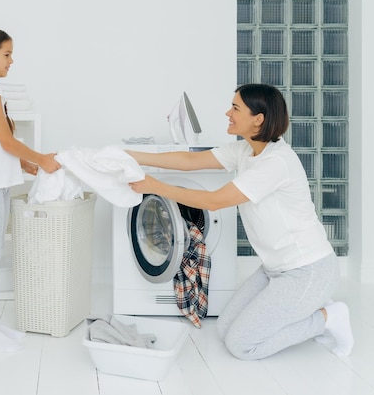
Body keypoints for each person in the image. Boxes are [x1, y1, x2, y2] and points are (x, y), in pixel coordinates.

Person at [127, 83, 354, 360]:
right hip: (274, 269)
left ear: (258, 119)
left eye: (235, 108)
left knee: (242, 345)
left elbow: (214, 201)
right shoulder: (246, 151)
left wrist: (154, 185)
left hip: (308, 270)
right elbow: (189, 160)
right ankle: (303, 306)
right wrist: (130, 156)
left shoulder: (275, 163)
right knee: (224, 328)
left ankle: (328, 317)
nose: (227, 113)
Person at [0, 27, 60, 351]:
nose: (12, 61)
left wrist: (28, 165)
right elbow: (7, 141)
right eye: (6, 54)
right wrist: (42, 159)